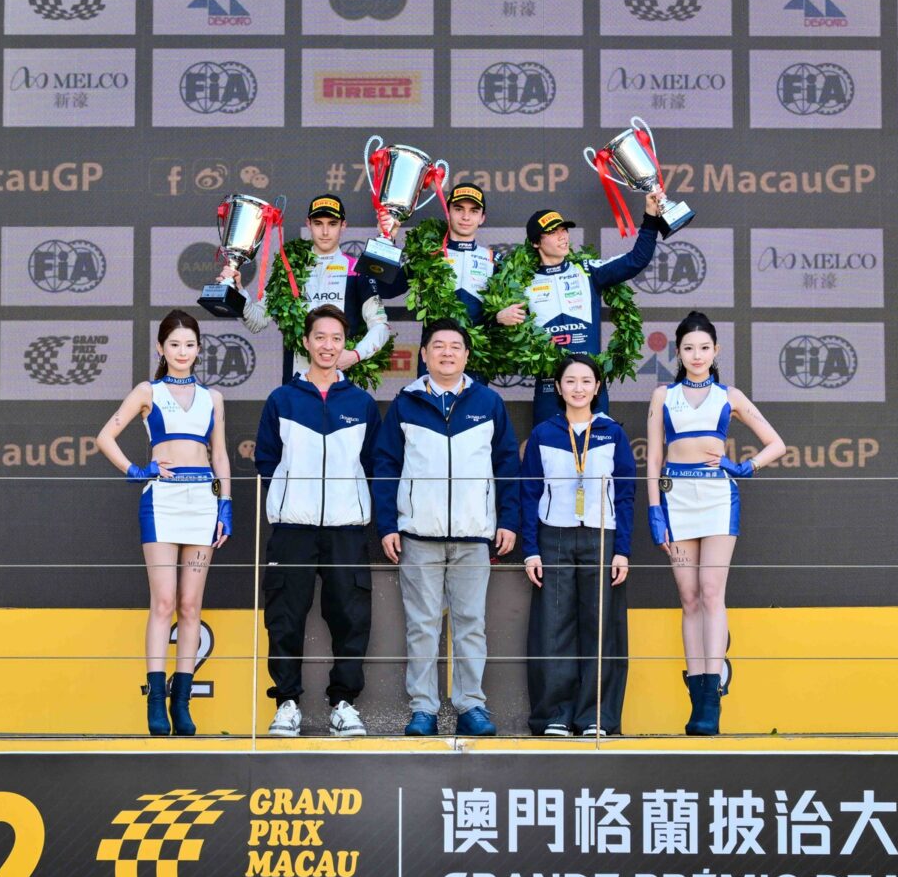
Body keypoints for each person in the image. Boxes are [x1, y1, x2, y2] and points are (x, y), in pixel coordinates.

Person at [372, 316, 519, 736]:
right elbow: (386, 466)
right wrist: (388, 525)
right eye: (438, 346)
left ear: (467, 355)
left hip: (474, 535)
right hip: (419, 535)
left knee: (471, 624)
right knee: (422, 626)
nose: (447, 353)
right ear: (424, 354)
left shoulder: (489, 402)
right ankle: (424, 709)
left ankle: (471, 706)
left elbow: (508, 464)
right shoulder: (405, 403)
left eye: (455, 346)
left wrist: (508, 520)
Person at [646, 311, 784, 736]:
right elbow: (654, 457)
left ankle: (711, 702)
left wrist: (744, 467)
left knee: (710, 592)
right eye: (689, 348)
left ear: (716, 351)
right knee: (688, 598)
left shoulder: (730, 395)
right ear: (678, 352)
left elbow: (776, 443)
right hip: (676, 498)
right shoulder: (662, 395)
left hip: (718, 499)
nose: (697, 355)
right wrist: (655, 509)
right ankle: (697, 695)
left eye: (704, 348)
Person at [95, 310, 233, 737]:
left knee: (191, 606)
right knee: (164, 603)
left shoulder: (213, 398)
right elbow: (105, 437)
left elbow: (219, 454)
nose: (182, 352)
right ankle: (156, 700)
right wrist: (137, 471)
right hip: (162, 501)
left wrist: (225, 504)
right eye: (174, 344)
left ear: (199, 348)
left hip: (203, 501)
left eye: (189, 344)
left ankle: (181, 702)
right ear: (161, 348)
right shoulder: (147, 391)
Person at [253, 305, 381, 737]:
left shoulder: (361, 402)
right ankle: (286, 704)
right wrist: (293, 495)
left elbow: (372, 463)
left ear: (345, 345)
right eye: (320, 337)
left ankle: (344, 704)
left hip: (346, 527)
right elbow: (267, 459)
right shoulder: (282, 400)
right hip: (293, 527)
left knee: (350, 616)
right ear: (306, 342)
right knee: (285, 618)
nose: (328, 346)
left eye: (336, 339)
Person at [520, 354, 634, 737]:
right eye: (570, 381)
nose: (578, 388)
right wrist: (531, 549)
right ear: (558, 387)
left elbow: (626, 496)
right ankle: (555, 715)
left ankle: (595, 717)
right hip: (554, 535)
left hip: (602, 536)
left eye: (586, 381)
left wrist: (623, 550)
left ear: (597, 387)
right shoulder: (544, 433)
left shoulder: (612, 433)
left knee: (600, 628)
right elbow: (529, 493)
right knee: (554, 628)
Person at [519, 190, 667, 424]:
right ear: (536, 242)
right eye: (553, 232)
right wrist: (501, 316)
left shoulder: (588, 271)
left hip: (591, 385)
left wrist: (650, 217)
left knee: (596, 446)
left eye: (564, 230)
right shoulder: (521, 282)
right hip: (548, 385)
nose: (562, 237)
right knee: (549, 447)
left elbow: (636, 260)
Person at [231, 195, 397, 380]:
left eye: (332, 224)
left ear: (343, 226)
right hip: (297, 381)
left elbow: (380, 325)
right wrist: (237, 291)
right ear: (308, 224)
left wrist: (355, 355)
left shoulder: (357, 270)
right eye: (318, 223)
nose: (325, 231)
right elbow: (257, 321)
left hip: (341, 380)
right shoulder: (289, 271)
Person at [377, 181, 526, 376]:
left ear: (482, 218)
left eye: (473, 211)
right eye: (458, 209)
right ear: (448, 212)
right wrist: (386, 240)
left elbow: (511, 319)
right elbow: (386, 290)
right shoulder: (428, 256)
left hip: (476, 360)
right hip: (433, 359)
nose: (466, 217)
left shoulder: (494, 261)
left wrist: (499, 318)